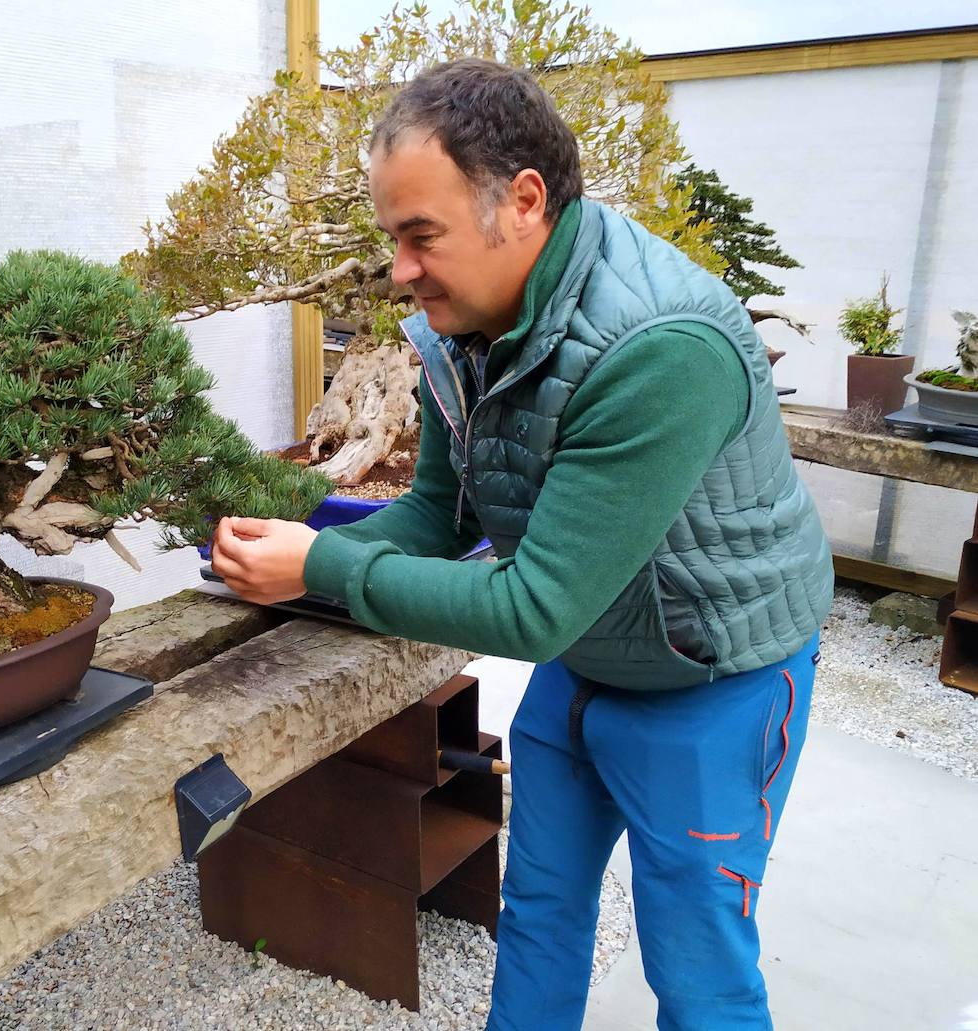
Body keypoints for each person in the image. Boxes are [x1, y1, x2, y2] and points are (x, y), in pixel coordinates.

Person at [210, 57, 833, 1031]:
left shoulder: (660, 348)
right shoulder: (464, 325)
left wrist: (326, 567)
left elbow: (533, 606)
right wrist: (299, 553)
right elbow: (438, 518)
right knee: (538, 911)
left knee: (696, 966)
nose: (400, 271)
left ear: (524, 202)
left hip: (716, 680)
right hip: (592, 657)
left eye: (423, 237)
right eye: (392, 239)